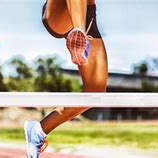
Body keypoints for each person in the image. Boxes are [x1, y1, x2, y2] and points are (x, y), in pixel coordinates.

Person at [24, 0, 108, 157]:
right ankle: (79, 36)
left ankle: (38, 130)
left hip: (88, 17)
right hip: (60, 11)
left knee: (95, 92)